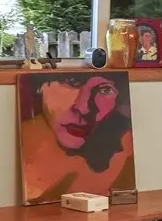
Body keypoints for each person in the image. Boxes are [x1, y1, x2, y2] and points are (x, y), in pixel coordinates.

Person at [17, 73, 135, 203]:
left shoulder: (123, 153)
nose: (84, 109)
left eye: (105, 90)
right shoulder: (17, 145)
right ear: (40, 87)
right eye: (71, 82)